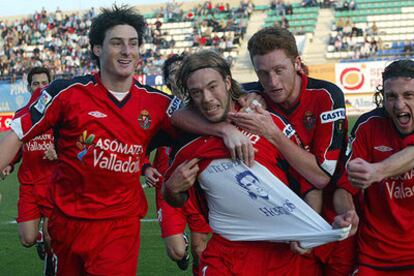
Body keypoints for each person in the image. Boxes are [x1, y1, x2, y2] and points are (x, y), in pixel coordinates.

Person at [0, 6, 253, 275]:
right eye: (117, 43)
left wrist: (226, 128)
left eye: (133, 44)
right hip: (66, 223)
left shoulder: (156, 102)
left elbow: (192, 116)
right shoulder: (66, 93)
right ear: (97, 48)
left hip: (118, 227)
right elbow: (17, 133)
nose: (127, 51)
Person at [163, 50, 353, 276]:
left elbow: (308, 183)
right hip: (229, 254)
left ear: (227, 82)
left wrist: (307, 230)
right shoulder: (187, 141)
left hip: (284, 253)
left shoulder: (265, 121)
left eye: (212, 87)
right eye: (196, 92)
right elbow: (177, 196)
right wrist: (172, 189)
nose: (207, 98)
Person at [229, 27, 358, 275]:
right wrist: (227, 129)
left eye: (279, 70)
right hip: (285, 225)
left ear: (297, 63)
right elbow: (182, 110)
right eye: (263, 74)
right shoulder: (250, 95)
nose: (273, 83)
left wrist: (273, 133)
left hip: (336, 219)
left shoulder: (326, 96)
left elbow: (321, 176)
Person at [143, 54, 211, 275]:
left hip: (199, 189)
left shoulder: (207, 108)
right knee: (177, 251)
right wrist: (146, 166)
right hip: (168, 187)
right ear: (168, 81)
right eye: (173, 73)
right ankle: (183, 253)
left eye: (183, 70)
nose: (178, 75)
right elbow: (140, 144)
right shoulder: (160, 111)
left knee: (202, 249)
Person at [345, 59, 414, 275]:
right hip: (377, 255)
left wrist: (377, 171)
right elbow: (345, 184)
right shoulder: (368, 126)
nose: (399, 105)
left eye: (409, 95)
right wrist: (347, 211)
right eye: (391, 96)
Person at [1, 66, 57, 275]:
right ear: (28, 87)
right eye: (36, 84)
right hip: (30, 186)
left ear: (50, 85)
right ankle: (40, 240)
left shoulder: (59, 112)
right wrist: (9, 163)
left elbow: (76, 145)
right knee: (27, 239)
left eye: (45, 83)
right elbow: (16, 146)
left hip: (54, 185)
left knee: (54, 239)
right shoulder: (21, 115)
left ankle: (51, 268)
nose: (41, 88)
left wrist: (58, 151)